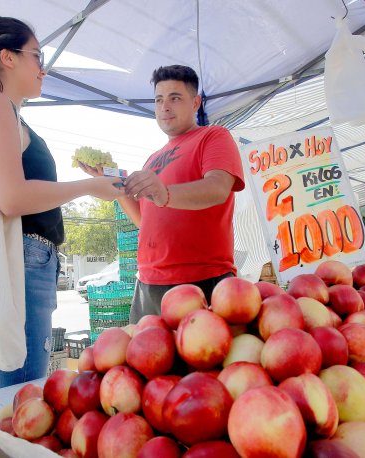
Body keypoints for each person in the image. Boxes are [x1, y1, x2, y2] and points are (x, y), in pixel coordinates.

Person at [0, 16, 123, 391]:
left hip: (27, 260)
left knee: (19, 390)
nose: (43, 69)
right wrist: (90, 186)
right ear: (8, 58)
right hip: (20, 258)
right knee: (19, 397)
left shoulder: (9, 114)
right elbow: (12, 198)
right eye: (36, 55)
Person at [80, 65, 245, 323]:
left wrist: (164, 192)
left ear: (196, 102)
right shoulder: (152, 159)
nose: (165, 106)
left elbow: (218, 188)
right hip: (148, 282)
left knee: (200, 361)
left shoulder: (213, 136)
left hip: (201, 280)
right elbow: (145, 221)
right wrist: (114, 185)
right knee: (145, 361)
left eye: (175, 98)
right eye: (159, 99)